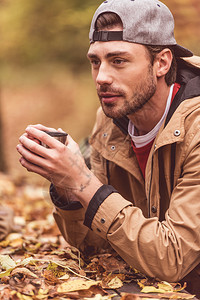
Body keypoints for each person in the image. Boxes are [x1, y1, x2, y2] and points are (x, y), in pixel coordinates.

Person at [17, 0, 200, 296]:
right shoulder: (110, 120)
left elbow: (172, 259)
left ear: (162, 63)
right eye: (95, 61)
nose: (101, 77)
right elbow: (96, 245)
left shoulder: (196, 128)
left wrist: (83, 183)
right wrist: (67, 188)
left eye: (118, 61)